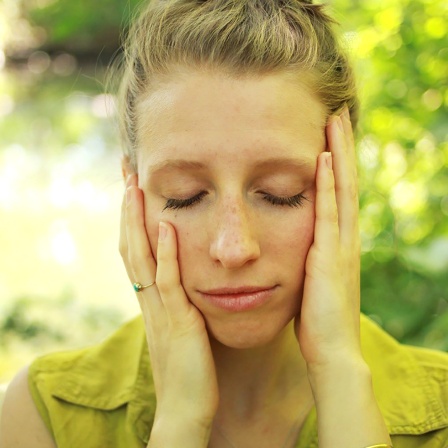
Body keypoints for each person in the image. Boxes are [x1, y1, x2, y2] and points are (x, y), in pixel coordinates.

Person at [0, 0, 447, 447]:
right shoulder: (44, 417)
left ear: (347, 184)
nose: (233, 248)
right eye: (184, 196)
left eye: (280, 192)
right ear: (131, 196)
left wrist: (340, 375)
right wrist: (179, 420)